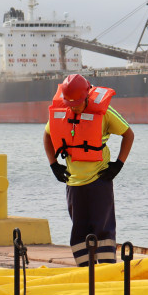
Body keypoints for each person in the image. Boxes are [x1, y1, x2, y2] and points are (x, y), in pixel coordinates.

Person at [43, 74, 134, 265]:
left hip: (99, 181)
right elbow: (47, 135)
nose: (73, 107)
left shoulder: (105, 113)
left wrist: (118, 165)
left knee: (104, 230)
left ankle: (107, 272)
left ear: (87, 96)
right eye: (70, 103)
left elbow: (128, 134)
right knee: (79, 231)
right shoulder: (63, 112)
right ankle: (85, 270)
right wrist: (54, 165)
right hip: (73, 183)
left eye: (77, 102)